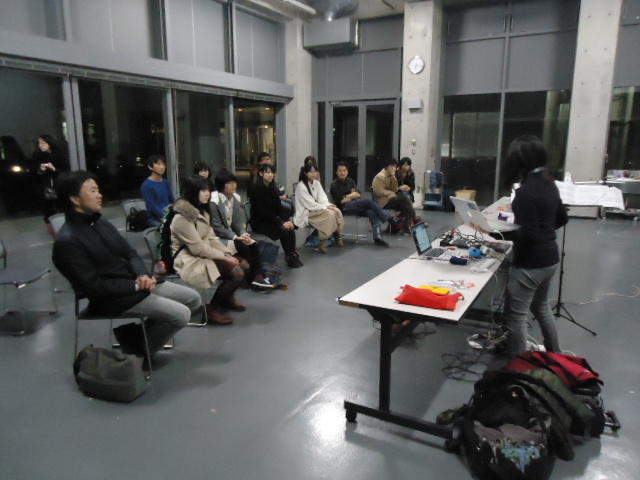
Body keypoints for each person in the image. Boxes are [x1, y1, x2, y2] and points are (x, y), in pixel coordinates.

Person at [52, 171, 201, 361]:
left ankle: (135, 340)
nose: (99, 195)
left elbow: (130, 253)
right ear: (75, 199)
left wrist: (142, 275)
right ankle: (139, 355)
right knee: (181, 314)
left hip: (136, 284)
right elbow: (93, 287)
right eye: (93, 191)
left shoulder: (99, 222)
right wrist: (136, 285)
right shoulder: (67, 242)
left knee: (193, 299)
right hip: (112, 299)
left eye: (98, 190)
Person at [485, 135, 568, 357]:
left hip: (531, 264)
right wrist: (543, 229)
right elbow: (562, 218)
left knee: (517, 316)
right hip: (550, 259)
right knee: (541, 307)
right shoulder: (549, 183)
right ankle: (556, 355)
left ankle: (518, 366)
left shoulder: (524, 193)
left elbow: (528, 235)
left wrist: (496, 233)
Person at [170, 176, 247, 325]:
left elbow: (211, 238)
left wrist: (226, 253)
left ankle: (226, 298)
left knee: (243, 265)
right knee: (237, 272)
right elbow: (197, 248)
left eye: (208, 190)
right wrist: (224, 257)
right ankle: (212, 309)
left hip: (202, 253)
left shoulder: (202, 211)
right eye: (202, 190)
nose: (207, 193)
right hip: (188, 259)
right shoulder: (182, 218)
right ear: (192, 192)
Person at [210, 170, 274, 289]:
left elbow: (239, 222)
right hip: (216, 237)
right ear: (221, 186)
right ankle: (256, 277)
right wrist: (235, 237)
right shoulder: (214, 201)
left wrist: (243, 233)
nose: (234, 185)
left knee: (252, 243)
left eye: (234, 182)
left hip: (232, 234)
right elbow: (217, 226)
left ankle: (257, 276)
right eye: (229, 183)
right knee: (244, 245)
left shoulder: (235, 198)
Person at [249, 164, 303, 268]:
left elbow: (278, 207)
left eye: (272, 172)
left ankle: (292, 253)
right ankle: (288, 255)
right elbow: (262, 212)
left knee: (290, 227)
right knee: (283, 229)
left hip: (272, 220)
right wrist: (280, 222)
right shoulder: (255, 189)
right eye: (267, 172)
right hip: (260, 222)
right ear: (261, 173)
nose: (271, 175)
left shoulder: (272, 187)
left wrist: (285, 220)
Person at [330, 161, 391, 247]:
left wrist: (347, 196)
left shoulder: (350, 181)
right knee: (369, 201)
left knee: (371, 212)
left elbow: (358, 194)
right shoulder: (334, 185)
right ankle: (386, 217)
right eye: (340, 171)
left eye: (344, 170)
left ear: (347, 171)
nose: (342, 173)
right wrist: (351, 195)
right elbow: (341, 201)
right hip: (344, 208)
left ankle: (378, 238)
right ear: (336, 172)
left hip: (356, 204)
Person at [294, 163, 344, 254]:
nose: (314, 174)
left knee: (336, 211)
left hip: (318, 208)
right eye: (311, 172)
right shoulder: (301, 186)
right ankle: (323, 241)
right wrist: (325, 207)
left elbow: (322, 197)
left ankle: (338, 236)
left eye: (315, 171)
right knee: (329, 214)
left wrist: (327, 205)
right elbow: (310, 204)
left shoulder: (316, 183)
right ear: (305, 173)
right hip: (307, 211)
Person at [372, 159, 420, 233]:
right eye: (392, 166)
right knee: (404, 199)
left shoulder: (390, 175)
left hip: (389, 199)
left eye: (395, 167)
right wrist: (390, 193)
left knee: (406, 206)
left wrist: (393, 177)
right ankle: (414, 220)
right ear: (386, 167)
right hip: (382, 202)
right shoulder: (380, 176)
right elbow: (378, 192)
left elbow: (394, 189)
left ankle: (405, 226)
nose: (393, 168)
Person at [32, 134, 68, 235]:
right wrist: (41, 169)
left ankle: (64, 229)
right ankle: (53, 232)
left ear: (50, 143)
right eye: (39, 143)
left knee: (62, 207)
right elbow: (33, 173)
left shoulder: (59, 154)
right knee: (48, 210)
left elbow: (65, 171)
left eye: (43, 143)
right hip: (45, 187)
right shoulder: (37, 155)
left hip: (59, 186)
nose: (40, 145)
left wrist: (54, 169)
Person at [249, 152, 293, 218]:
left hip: (275, 200)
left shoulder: (271, 179)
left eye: (268, 159)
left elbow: (279, 188)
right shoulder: (256, 180)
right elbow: (263, 208)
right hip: (262, 217)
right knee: (287, 207)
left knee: (290, 202)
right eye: (264, 159)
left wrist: (279, 196)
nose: (270, 175)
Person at [141, 154, 174, 227]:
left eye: (163, 164)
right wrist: (167, 217)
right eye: (158, 164)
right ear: (150, 167)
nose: (162, 167)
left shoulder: (166, 182)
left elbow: (172, 201)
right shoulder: (146, 185)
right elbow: (152, 207)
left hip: (168, 213)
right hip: (155, 219)